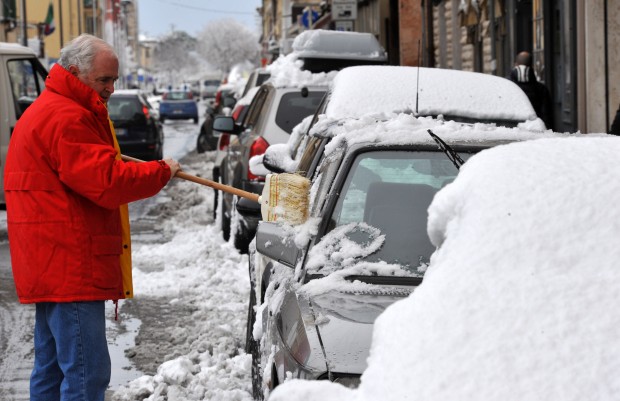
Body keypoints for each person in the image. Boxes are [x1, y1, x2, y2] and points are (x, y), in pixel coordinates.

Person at [3, 34, 181, 401]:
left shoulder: (49, 109)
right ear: (75, 73)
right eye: (104, 80)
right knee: (87, 373)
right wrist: (160, 171)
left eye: (114, 80)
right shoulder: (67, 117)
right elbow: (107, 182)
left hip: (51, 260)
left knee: (51, 370)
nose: (111, 89)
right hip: (70, 263)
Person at [509, 51, 554, 130]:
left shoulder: (507, 87)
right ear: (532, 66)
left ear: (516, 64)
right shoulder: (541, 89)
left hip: (511, 131)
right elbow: (547, 116)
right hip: (535, 134)